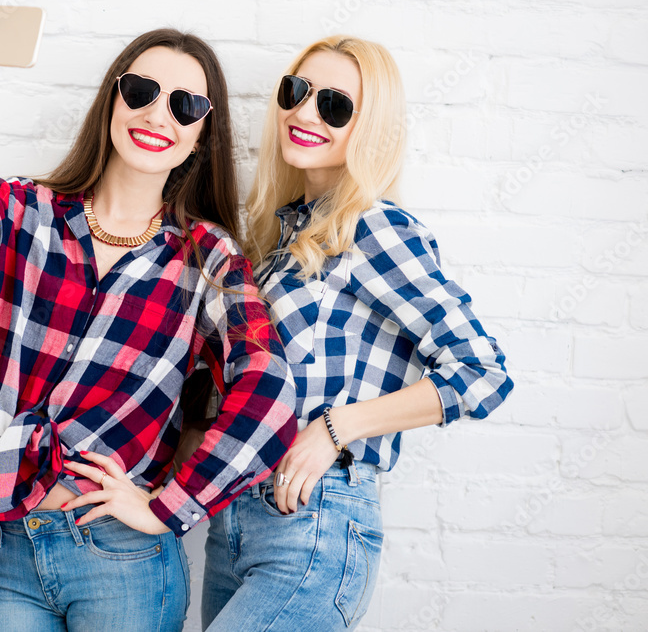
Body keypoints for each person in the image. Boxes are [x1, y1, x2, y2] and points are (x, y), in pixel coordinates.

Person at [0, 0, 297, 631]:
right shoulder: (27, 212)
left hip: (122, 562)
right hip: (12, 546)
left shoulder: (205, 257)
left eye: (187, 105)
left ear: (201, 135)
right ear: (113, 100)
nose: (159, 114)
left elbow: (269, 388)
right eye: (142, 90)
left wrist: (168, 509)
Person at [194, 35, 515, 631]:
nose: (304, 112)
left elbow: (481, 374)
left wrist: (333, 430)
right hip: (233, 524)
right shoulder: (278, 242)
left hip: (312, 526)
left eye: (335, 106)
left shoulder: (375, 228)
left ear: (370, 128)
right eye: (297, 92)